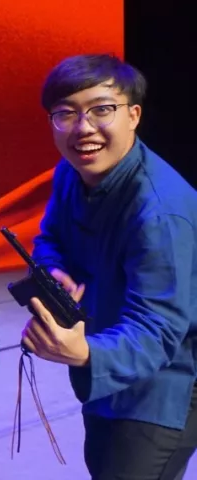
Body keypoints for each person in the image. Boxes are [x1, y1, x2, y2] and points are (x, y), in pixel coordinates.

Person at [24, 54, 197, 480]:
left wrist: (84, 352)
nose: (83, 128)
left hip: (164, 386)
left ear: (133, 115)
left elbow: (158, 330)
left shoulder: (160, 211)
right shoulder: (71, 173)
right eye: (66, 113)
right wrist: (52, 271)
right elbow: (50, 239)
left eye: (101, 109)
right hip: (105, 368)